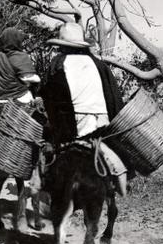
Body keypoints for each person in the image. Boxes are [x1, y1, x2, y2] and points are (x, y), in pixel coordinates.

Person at [40, 22, 128, 195]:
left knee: (47, 148)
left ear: (62, 45)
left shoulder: (58, 63)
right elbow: (114, 96)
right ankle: (118, 179)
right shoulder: (99, 64)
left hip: (71, 126)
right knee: (110, 151)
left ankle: (47, 185)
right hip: (102, 123)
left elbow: (49, 98)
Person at [0, 27, 42, 153]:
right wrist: (37, 78)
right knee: (36, 107)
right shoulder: (20, 56)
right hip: (17, 97)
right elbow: (29, 77)